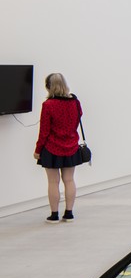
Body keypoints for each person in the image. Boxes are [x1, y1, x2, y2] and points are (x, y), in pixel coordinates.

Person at [33, 73, 84, 222]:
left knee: (53, 182)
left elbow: (44, 131)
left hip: (52, 148)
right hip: (71, 147)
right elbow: (78, 119)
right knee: (69, 180)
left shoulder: (48, 105)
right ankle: (69, 214)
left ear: (49, 86)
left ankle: (54, 215)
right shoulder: (75, 102)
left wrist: (37, 150)